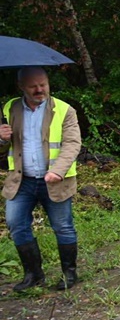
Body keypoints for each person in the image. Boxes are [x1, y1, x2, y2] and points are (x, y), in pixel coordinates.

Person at [0, 67, 82, 291]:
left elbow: (73, 144)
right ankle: (34, 275)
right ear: (21, 87)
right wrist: (1, 138)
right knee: (16, 224)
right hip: (21, 181)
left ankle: (69, 274)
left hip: (55, 180)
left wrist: (58, 170)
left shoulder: (65, 110)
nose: (39, 90)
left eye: (43, 84)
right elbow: (4, 149)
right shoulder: (9, 108)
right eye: (33, 86)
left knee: (63, 227)